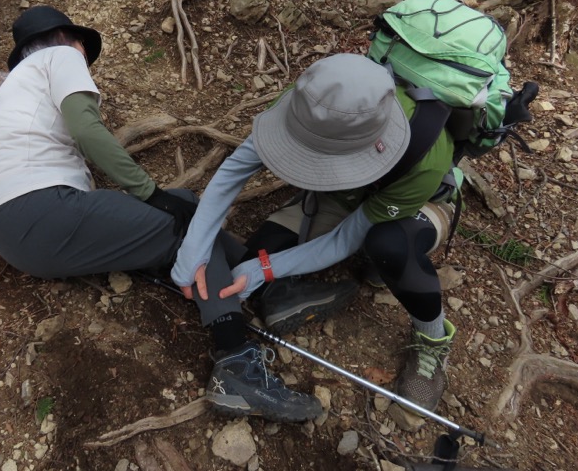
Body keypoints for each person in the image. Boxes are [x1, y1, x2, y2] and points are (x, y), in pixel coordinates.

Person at [0, 5, 322, 423]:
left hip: (13, 232)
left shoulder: (11, 92)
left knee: (187, 203)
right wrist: (148, 192)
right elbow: (87, 130)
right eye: (84, 48)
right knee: (189, 224)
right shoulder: (62, 56)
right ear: (73, 40)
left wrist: (163, 197)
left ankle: (266, 285)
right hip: (44, 208)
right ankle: (235, 360)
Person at [172, 53, 457, 412]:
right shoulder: (309, 99)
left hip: (418, 203)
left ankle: (431, 339)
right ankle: (288, 295)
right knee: (259, 249)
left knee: (387, 245)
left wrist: (266, 269)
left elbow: (346, 237)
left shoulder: (425, 152)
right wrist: (194, 247)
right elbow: (235, 169)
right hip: (341, 193)